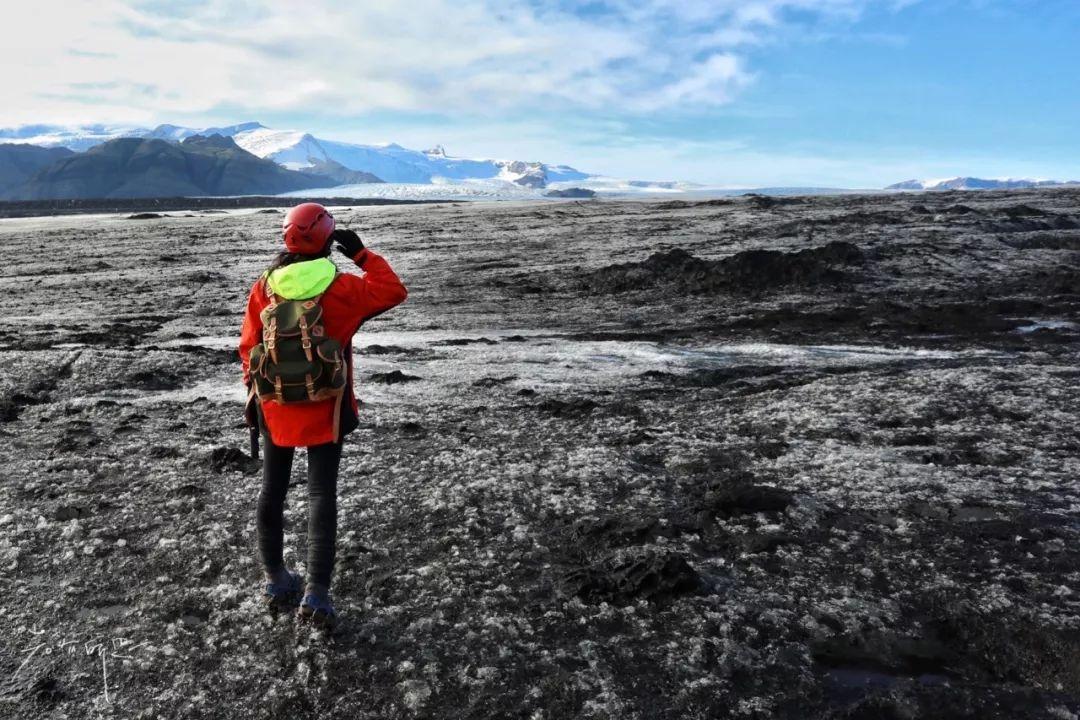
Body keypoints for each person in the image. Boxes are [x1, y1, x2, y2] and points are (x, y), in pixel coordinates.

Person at [238, 202, 408, 628]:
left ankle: (275, 579)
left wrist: (257, 393)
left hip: (273, 406)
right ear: (327, 238)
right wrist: (362, 254)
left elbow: (249, 347)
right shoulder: (342, 287)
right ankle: (316, 592)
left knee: (272, 491)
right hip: (327, 406)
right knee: (320, 495)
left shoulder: (265, 286)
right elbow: (392, 291)